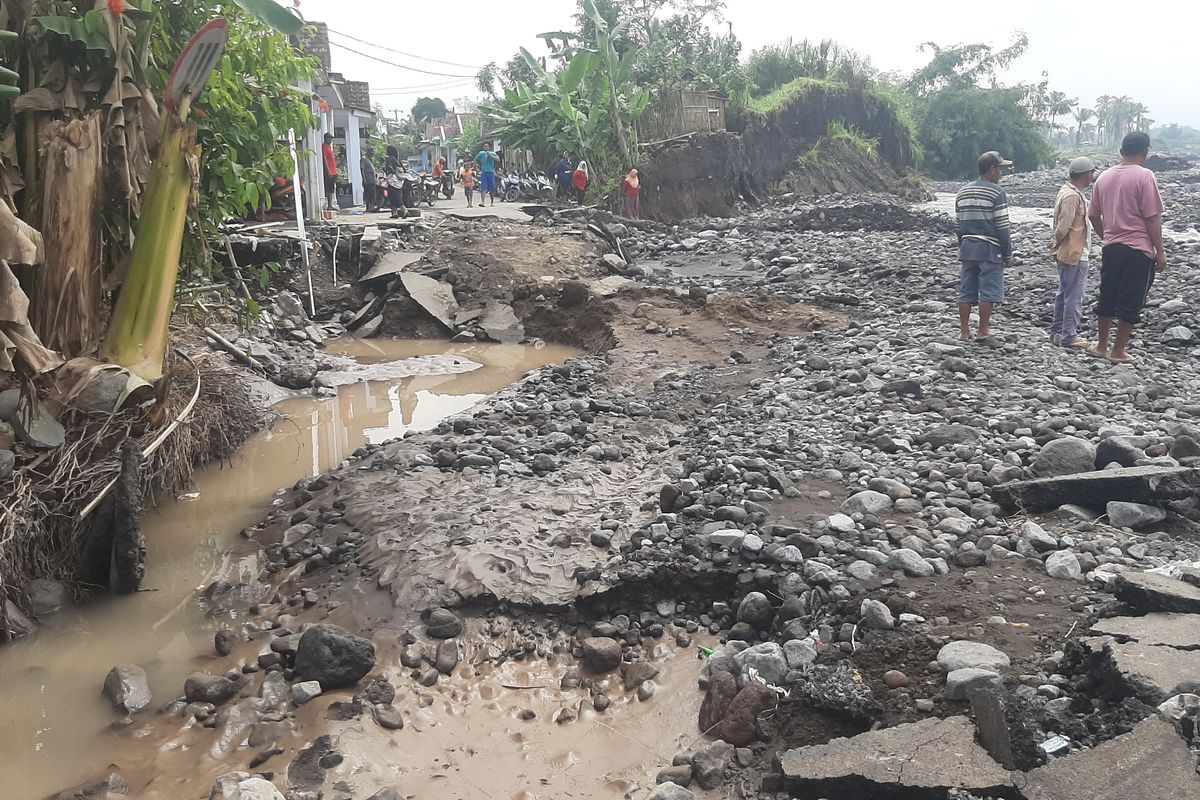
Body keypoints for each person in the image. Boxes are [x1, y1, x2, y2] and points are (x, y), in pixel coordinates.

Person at [1087, 132, 1166, 363]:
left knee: (1108, 294)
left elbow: (1093, 215)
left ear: (1122, 151)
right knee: (1132, 299)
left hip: (1112, 247)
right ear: (1145, 152)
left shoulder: (1103, 177)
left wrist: (1107, 236)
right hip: (1137, 248)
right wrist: (1159, 251)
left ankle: (1101, 346)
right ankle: (1118, 351)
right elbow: (1152, 218)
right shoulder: (1145, 176)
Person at [955, 151, 1013, 341]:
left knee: (966, 290)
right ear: (992, 169)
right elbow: (1002, 226)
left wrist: (962, 245)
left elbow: (959, 224)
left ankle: (964, 332)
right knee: (988, 290)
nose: (1002, 174)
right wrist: (1007, 253)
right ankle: (983, 330)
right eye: (1000, 169)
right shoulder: (997, 192)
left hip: (968, 247)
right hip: (989, 248)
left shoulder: (962, 191)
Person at [1048, 156, 1097, 349]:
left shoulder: (1067, 191)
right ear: (1086, 174)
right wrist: (1055, 245)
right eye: (1092, 173)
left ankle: (1057, 332)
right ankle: (1068, 335)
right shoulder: (1072, 196)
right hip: (1074, 252)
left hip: (1069, 251)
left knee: (1064, 293)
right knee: (1074, 295)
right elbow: (1063, 227)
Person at [475, 142, 499, 206]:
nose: (485, 148)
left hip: (491, 172)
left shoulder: (493, 153)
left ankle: (492, 202)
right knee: (483, 187)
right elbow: (475, 159)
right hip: (484, 172)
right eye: (484, 146)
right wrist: (476, 168)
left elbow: (498, 159)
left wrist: (490, 155)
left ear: (489, 147)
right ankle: (483, 202)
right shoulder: (481, 153)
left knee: (492, 187)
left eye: (486, 146)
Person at [383, 145, 404, 218]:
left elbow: (389, 168)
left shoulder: (389, 159)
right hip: (398, 181)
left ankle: (404, 210)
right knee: (396, 196)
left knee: (394, 197)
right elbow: (403, 169)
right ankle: (394, 213)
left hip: (392, 180)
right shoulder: (398, 160)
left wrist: (386, 169)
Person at [321, 133, 337, 212]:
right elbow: (325, 159)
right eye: (329, 138)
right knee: (329, 189)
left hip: (333, 171)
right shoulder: (324, 147)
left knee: (332, 189)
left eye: (331, 138)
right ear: (325, 138)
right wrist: (328, 171)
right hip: (329, 172)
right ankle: (329, 205)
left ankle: (330, 204)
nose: (330, 140)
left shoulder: (329, 147)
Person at [361, 147, 378, 213]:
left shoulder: (370, 159)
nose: (373, 153)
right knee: (368, 193)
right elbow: (362, 169)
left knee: (372, 193)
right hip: (368, 180)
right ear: (368, 152)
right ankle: (369, 207)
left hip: (372, 179)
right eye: (371, 151)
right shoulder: (364, 159)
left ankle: (371, 206)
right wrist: (364, 179)